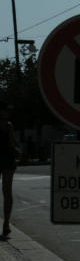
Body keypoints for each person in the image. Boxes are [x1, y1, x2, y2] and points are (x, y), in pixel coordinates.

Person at [0, 102, 20, 237]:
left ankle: (6, 223)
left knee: (7, 193)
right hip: (7, 160)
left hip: (5, 160)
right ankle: (6, 223)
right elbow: (13, 143)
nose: (8, 113)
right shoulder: (8, 126)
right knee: (7, 192)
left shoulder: (8, 125)